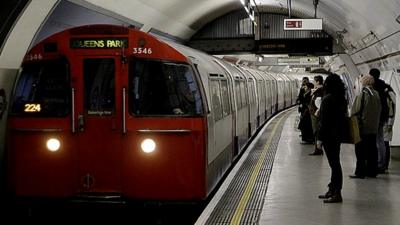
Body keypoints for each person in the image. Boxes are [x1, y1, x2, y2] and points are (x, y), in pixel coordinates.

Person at [317, 73, 347, 203]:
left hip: (329, 136)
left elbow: (324, 121)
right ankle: (333, 189)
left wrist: (319, 138)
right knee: (335, 163)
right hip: (337, 135)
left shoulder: (327, 99)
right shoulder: (341, 98)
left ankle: (337, 193)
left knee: (334, 164)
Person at [349, 74, 381, 179]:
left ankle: (360, 172)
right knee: (372, 150)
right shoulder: (376, 94)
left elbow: (355, 110)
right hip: (373, 127)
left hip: (363, 128)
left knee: (360, 150)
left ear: (363, 82)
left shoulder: (362, 94)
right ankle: (372, 171)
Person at [369, 68, 390, 173]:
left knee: (378, 140)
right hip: (383, 116)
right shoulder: (384, 85)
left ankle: (379, 163)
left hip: (377, 116)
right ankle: (382, 163)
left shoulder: (374, 87)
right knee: (380, 140)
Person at [309, 75, 324, 155]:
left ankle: (318, 149)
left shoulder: (320, 91)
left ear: (318, 82)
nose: (313, 82)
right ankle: (317, 148)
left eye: (314, 81)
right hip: (315, 113)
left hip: (316, 115)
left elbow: (320, 103)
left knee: (316, 132)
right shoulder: (318, 90)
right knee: (316, 132)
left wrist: (318, 110)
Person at [383, 85, 396, 171]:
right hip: (388, 123)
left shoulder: (389, 96)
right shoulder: (392, 95)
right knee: (385, 143)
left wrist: (389, 124)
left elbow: (391, 111)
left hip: (387, 123)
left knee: (385, 143)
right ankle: (385, 163)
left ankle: (385, 163)